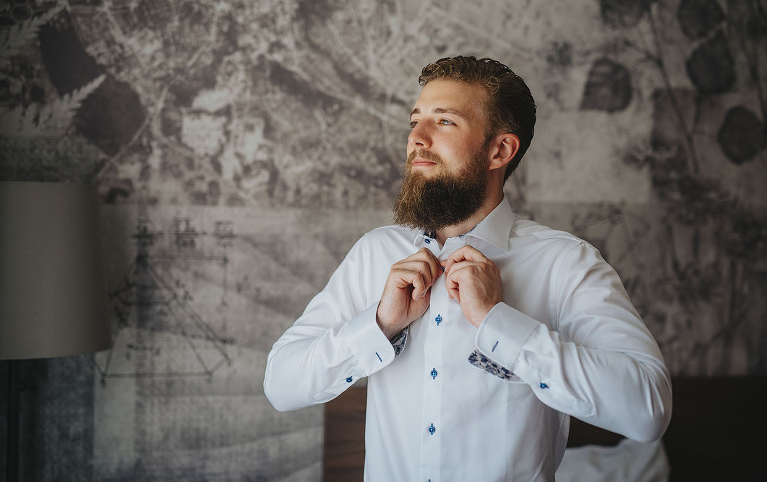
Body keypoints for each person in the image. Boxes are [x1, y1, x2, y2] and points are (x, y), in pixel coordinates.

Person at [264, 56, 672, 481]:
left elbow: (649, 412)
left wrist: (499, 324)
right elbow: (280, 385)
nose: (416, 138)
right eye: (415, 121)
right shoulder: (374, 253)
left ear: (500, 150)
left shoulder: (566, 263)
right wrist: (379, 324)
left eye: (444, 122)